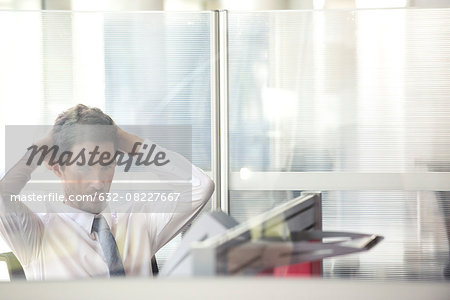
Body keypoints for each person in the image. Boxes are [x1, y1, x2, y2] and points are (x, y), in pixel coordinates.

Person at [0, 104, 214, 280]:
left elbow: (200, 186)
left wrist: (124, 139)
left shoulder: (138, 221)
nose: (98, 182)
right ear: (58, 168)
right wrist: (41, 147)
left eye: (105, 164)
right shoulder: (37, 234)